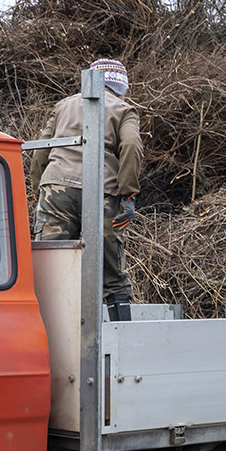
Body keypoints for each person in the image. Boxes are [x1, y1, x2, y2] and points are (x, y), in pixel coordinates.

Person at [28, 58, 144, 305]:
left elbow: (40, 151)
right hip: (101, 193)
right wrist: (128, 194)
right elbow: (132, 147)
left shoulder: (63, 106)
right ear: (121, 88)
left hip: (56, 190)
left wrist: (39, 189)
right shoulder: (124, 110)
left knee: (50, 270)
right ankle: (120, 338)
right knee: (112, 276)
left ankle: (47, 340)